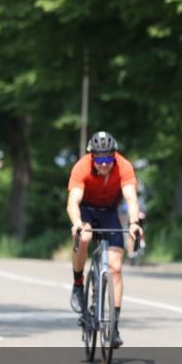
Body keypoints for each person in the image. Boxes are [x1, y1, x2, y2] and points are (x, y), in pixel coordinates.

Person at [67, 131, 143, 348]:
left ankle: (114, 328)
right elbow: (73, 202)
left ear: (114, 155)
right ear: (92, 157)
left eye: (108, 159)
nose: (104, 164)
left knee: (116, 268)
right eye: (99, 160)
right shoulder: (82, 166)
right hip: (86, 210)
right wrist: (77, 223)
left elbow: (131, 198)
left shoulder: (124, 166)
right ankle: (78, 283)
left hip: (109, 211)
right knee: (85, 237)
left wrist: (134, 223)